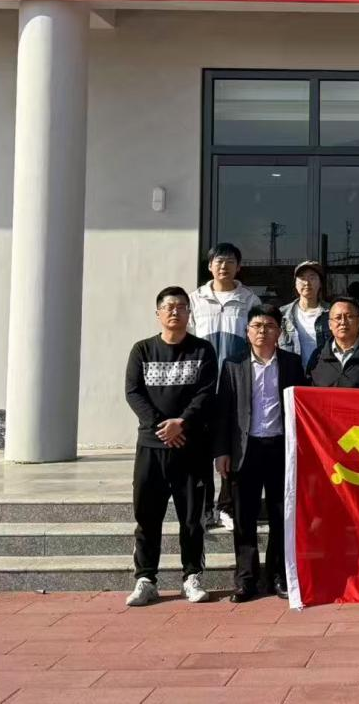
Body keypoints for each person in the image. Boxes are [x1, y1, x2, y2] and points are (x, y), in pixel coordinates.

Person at [124, 286, 217, 607]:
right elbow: (133, 392)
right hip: (152, 447)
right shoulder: (142, 350)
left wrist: (183, 423)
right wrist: (162, 427)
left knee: (192, 519)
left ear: (189, 313)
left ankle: (192, 576)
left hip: (191, 448)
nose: (175, 312)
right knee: (147, 516)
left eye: (181, 307)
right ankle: (146, 579)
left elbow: (206, 393)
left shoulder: (203, 350)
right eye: (169, 307)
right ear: (158, 313)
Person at [214, 304, 304, 603]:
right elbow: (223, 412)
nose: (262, 331)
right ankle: (246, 579)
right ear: (247, 332)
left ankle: (278, 575)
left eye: (269, 326)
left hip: (280, 447)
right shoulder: (233, 365)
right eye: (256, 326)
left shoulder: (292, 363)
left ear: (279, 332)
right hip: (245, 449)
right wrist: (222, 451)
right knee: (244, 517)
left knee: (280, 515)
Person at [188, 242, 260, 531]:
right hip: (203, 386)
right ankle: (205, 508)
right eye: (218, 261)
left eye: (230, 261)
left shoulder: (249, 299)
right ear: (209, 266)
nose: (224, 266)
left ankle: (226, 506)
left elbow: (257, 340)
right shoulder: (195, 299)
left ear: (238, 267)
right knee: (202, 448)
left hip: (235, 384)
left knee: (231, 446)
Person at [308, 296, 359, 388]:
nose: (343, 322)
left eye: (349, 317)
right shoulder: (318, 356)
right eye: (338, 318)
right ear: (330, 324)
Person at [279, 260, 329, 372]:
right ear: (295, 284)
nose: (307, 282)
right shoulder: (283, 315)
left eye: (312, 277)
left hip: (323, 374)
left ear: (320, 283)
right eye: (302, 278)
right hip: (292, 373)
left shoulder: (332, 313)